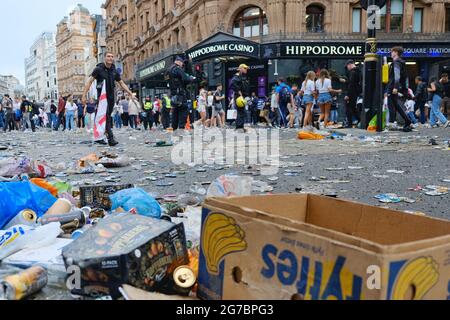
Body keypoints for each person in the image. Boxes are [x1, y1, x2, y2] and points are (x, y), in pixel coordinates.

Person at [82, 52, 137, 146]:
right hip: (102, 98)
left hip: (111, 97)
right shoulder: (98, 69)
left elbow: (122, 83)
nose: (110, 58)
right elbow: (89, 82)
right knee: (106, 117)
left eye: (112, 56)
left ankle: (99, 137)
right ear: (104, 58)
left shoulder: (114, 70)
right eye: (108, 56)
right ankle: (110, 138)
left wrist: (130, 93)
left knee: (105, 117)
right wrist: (84, 95)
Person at [385, 47, 413, 132]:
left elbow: (397, 76)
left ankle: (391, 123)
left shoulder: (397, 62)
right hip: (396, 86)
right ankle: (408, 121)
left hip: (393, 87)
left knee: (391, 105)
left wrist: (395, 87)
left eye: (392, 51)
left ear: (396, 52)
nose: (391, 53)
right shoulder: (401, 62)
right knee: (396, 105)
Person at [168, 56, 196, 132]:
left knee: (175, 111)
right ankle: (181, 129)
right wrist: (191, 78)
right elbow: (185, 79)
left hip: (173, 95)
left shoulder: (169, 69)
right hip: (180, 94)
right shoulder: (177, 69)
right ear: (179, 62)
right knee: (183, 110)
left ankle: (174, 129)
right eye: (182, 63)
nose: (182, 65)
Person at [340, 60, 362, 128]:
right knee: (353, 108)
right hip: (356, 92)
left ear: (350, 64)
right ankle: (359, 120)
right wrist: (346, 81)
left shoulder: (352, 72)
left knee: (348, 108)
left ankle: (350, 123)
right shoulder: (358, 71)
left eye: (347, 66)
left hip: (352, 93)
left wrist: (347, 94)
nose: (347, 68)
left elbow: (351, 84)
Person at [230, 64, 250, 132]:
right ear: (240, 68)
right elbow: (232, 84)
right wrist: (239, 92)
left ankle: (241, 126)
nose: (246, 69)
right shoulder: (237, 76)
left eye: (246, 68)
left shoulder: (243, 77)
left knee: (242, 111)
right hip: (239, 96)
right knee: (240, 111)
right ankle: (239, 127)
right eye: (244, 68)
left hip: (242, 96)